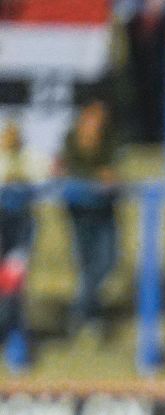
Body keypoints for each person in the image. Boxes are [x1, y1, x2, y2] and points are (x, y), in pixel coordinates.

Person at [58, 101, 120, 338]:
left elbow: (115, 172)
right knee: (86, 263)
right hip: (80, 211)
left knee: (106, 262)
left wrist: (110, 179)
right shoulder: (70, 140)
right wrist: (94, 177)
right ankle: (88, 314)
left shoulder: (109, 142)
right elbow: (68, 172)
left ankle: (81, 309)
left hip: (104, 211)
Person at [0, 121, 45, 358]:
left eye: (14, 135)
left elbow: (45, 176)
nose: (10, 139)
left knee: (13, 286)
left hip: (19, 233)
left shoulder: (30, 158)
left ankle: (14, 342)